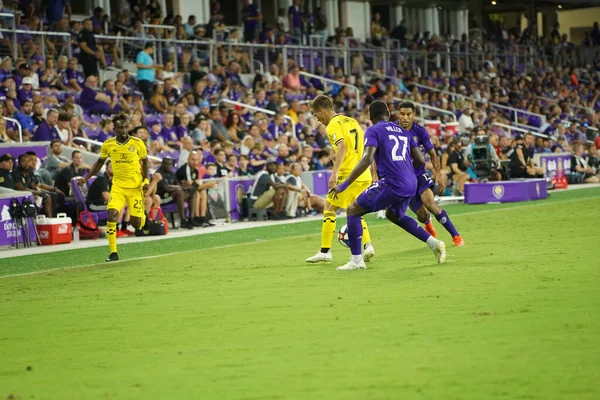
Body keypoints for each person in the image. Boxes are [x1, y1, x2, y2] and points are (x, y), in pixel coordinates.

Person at [329, 101, 447, 271]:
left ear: (370, 116)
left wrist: (345, 184)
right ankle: (434, 243)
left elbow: (367, 158)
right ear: (388, 113)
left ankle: (356, 261)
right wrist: (405, 172)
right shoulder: (403, 131)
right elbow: (421, 159)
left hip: (393, 182)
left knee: (353, 210)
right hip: (411, 183)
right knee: (393, 215)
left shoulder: (373, 130)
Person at [305, 95, 374, 264]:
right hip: (363, 172)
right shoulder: (352, 121)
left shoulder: (332, 126)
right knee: (355, 210)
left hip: (348, 174)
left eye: (316, 115)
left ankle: (325, 252)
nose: (318, 119)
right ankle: (368, 246)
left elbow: (342, 146)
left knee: (329, 207)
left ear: (322, 110)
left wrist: (334, 172)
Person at [77, 113, 150, 262]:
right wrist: (86, 178)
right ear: (114, 128)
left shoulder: (137, 143)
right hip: (118, 187)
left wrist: (146, 180)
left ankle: (143, 217)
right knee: (111, 215)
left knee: (136, 225)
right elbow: (99, 163)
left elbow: (146, 162)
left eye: (125, 126)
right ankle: (113, 252)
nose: (123, 129)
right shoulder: (109, 144)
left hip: (135, 187)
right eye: (120, 127)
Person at [396, 102, 464, 246]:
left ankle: (456, 236)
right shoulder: (392, 130)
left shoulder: (419, 131)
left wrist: (438, 174)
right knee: (422, 215)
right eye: (402, 114)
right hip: (402, 178)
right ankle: (427, 223)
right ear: (398, 114)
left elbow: (432, 154)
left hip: (419, 174)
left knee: (431, 204)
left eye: (409, 114)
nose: (405, 118)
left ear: (414, 115)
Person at [176, 151, 217, 227]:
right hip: (180, 193)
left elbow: (197, 184)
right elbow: (192, 187)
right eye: (193, 159)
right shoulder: (185, 169)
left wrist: (204, 186)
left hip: (189, 190)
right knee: (196, 194)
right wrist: (208, 185)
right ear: (188, 159)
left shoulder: (195, 169)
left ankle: (202, 218)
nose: (195, 162)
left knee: (203, 193)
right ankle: (195, 218)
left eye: (197, 160)